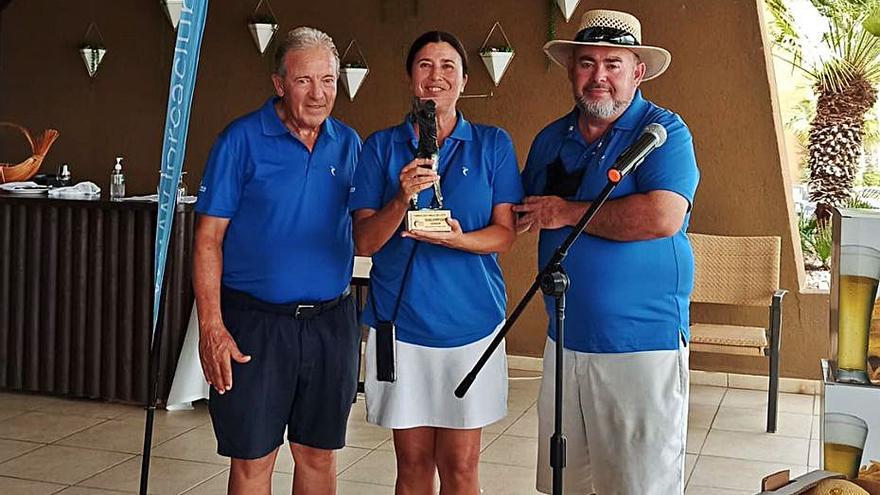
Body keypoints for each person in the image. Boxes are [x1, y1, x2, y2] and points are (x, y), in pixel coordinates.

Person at [515, 9, 700, 495]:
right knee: (566, 482)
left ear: (637, 71)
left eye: (613, 63)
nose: (599, 76)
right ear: (570, 70)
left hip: (639, 345)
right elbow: (525, 212)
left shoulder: (664, 132)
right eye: (586, 63)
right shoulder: (551, 139)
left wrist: (569, 212)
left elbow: (663, 217)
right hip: (564, 340)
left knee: (638, 485)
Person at [350, 31, 523, 495]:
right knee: (412, 465)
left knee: (461, 467)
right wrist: (401, 197)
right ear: (410, 78)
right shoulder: (380, 147)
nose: (436, 77)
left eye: (448, 66)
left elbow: (504, 235)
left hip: (472, 325)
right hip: (400, 326)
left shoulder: (492, 145)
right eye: (425, 65)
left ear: (464, 80)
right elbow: (363, 241)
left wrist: (458, 239)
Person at [193, 27, 361, 495]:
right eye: (304, 80)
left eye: (328, 80)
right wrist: (212, 326)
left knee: (318, 454)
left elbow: (366, 228)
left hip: (331, 323)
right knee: (253, 457)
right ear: (279, 84)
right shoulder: (240, 140)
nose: (318, 92)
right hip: (255, 324)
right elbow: (208, 239)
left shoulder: (349, 144)